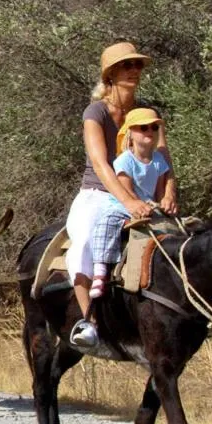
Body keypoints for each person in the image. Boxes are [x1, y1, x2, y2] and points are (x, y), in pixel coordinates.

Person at [65, 42, 179, 347]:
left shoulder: (147, 114)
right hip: (99, 194)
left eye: (138, 65)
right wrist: (128, 202)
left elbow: (164, 159)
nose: (134, 70)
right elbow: (101, 164)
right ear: (110, 74)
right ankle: (88, 321)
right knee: (83, 244)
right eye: (127, 65)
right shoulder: (96, 112)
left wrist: (169, 193)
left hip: (144, 197)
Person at [88, 108, 171, 300]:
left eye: (153, 127)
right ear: (130, 133)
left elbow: (159, 190)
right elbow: (126, 190)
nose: (149, 131)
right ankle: (100, 270)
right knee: (106, 223)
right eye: (143, 127)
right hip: (123, 206)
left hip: (148, 207)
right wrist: (137, 204)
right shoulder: (125, 160)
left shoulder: (159, 160)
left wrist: (164, 203)